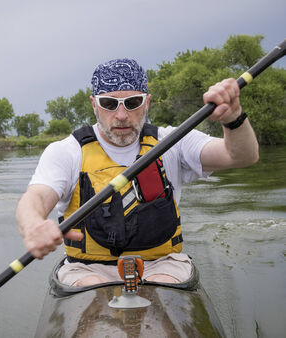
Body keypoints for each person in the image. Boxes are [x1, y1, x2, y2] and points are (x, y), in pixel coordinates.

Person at [16, 58, 259, 287]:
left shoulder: (173, 141)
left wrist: (233, 118)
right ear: (94, 105)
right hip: (88, 270)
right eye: (109, 104)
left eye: (132, 103)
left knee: (164, 288)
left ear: (147, 103)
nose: (121, 115)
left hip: (163, 266)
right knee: (94, 290)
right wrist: (33, 224)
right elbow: (36, 197)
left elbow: (242, 156)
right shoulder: (66, 151)